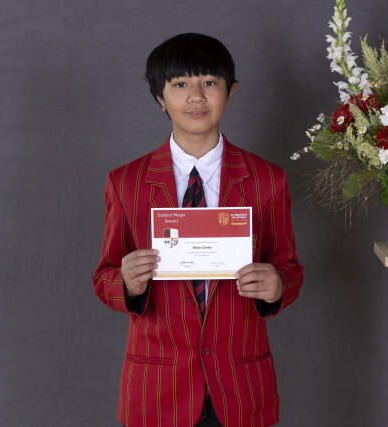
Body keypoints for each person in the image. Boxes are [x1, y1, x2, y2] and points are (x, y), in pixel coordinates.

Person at [92, 33, 304, 427]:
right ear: (160, 97)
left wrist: (278, 287)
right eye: (180, 84)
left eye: (209, 82)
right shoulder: (126, 182)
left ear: (230, 91)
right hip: (157, 387)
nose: (196, 97)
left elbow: (290, 269)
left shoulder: (267, 180)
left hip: (240, 385)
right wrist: (126, 284)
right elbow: (104, 276)